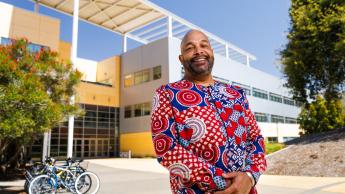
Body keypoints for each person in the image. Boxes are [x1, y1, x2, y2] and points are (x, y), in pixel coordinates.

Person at [151, 30, 267, 194]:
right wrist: (226, 183)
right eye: (190, 48)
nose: (199, 51)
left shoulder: (236, 94)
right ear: (181, 58)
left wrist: (250, 176)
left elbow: (255, 139)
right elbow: (166, 149)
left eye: (204, 45)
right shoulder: (166, 94)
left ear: (212, 53)